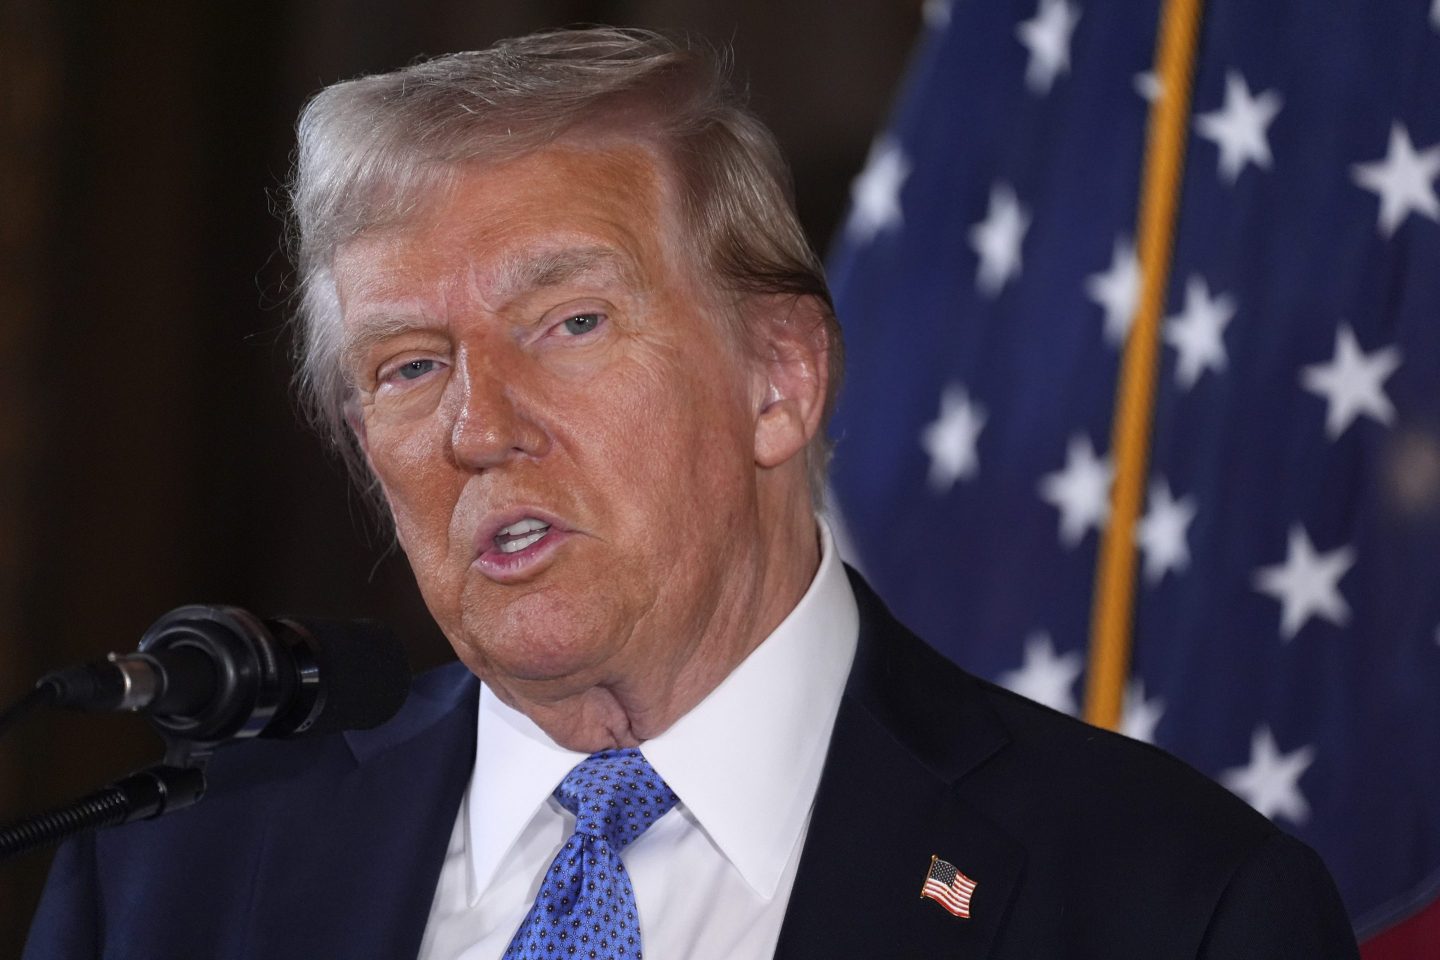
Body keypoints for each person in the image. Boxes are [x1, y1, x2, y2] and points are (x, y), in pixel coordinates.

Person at [26, 26, 1358, 960]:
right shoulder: (165, 883)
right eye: (410, 365)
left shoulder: (1168, 908)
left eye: (570, 324)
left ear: (780, 377)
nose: (478, 427)